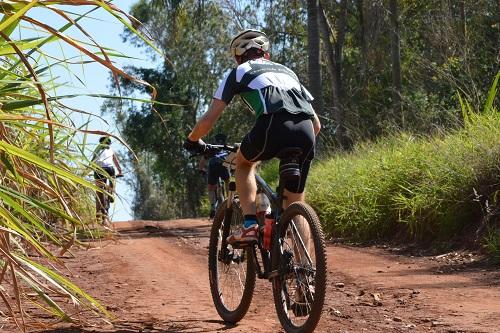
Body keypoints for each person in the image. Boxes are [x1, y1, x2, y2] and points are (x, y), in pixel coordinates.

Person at [184, 29, 321, 244]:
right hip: (305, 132)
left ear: (238, 57)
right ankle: (306, 269)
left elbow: (208, 119)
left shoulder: (239, 72)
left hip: (272, 125)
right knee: (295, 202)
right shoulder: (288, 72)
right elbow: (317, 125)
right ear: (266, 54)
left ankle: (249, 225)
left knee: (244, 163)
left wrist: (192, 140)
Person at [91, 136, 123, 222]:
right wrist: (120, 171)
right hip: (110, 169)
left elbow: (92, 161)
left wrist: (91, 168)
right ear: (109, 143)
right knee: (112, 182)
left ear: (100, 143)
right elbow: (116, 162)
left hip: (99, 170)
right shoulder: (111, 150)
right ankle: (111, 193)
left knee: (99, 192)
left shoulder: (97, 150)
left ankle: (101, 213)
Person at [198, 133, 230, 218]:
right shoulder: (227, 148)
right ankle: (229, 200)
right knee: (227, 181)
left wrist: (201, 170)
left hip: (212, 166)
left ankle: (213, 206)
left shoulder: (212, 148)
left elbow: (202, 161)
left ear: (215, 141)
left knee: (211, 187)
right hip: (223, 165)